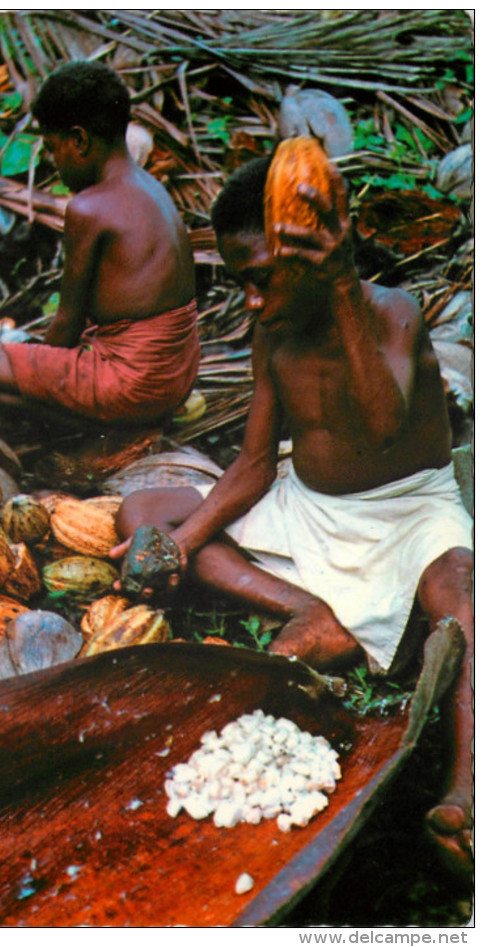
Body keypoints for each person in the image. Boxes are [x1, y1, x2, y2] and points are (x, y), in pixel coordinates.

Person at [111, 155, 474, 885]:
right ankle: (311, 611)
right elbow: (251, 464)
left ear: (317, 263)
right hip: (306, 507)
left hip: (407, 514)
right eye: (239, 279)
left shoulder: (391, 312)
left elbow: (379, 426)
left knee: (467, 598)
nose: (248, 300)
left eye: (263, 278)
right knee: (148, 507)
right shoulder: (272, 332)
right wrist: (179, 544)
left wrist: (341, 286)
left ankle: (467, 790)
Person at [0, 61, 199, 427]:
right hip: (177, 379)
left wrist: (35, 370)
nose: (54, 163)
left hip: (133, 386)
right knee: (15, 350)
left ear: (79, 140)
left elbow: (66, 325)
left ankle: (94, 427)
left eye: (52, 148)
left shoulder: (88, 207)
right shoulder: (152, 188)